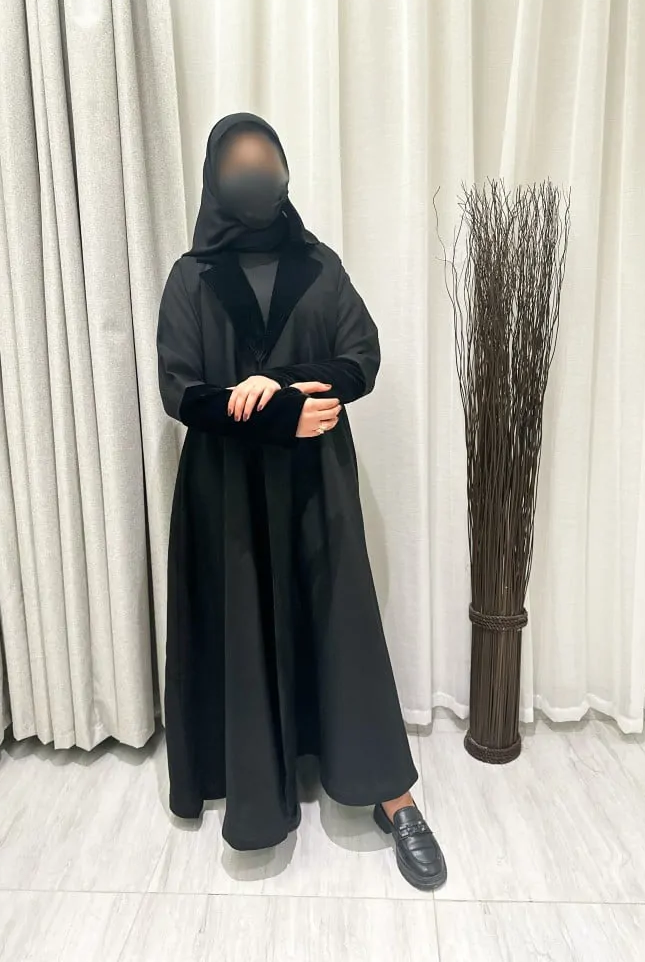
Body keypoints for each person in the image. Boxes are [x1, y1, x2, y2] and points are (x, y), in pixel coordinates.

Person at [156, 112, 446, 891]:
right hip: (226, 493)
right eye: (239, 163)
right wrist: (275, 414)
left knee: (342, 624)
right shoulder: (190, 277)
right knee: (244, 624)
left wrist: (281, 387)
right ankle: (259, 791)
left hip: (316, 487)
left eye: (267, 160)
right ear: (215, 178)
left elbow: (362, 357)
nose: (255, 175)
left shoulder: (320, 265)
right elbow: (181, 390)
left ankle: (393, 795)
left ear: (285, 172)